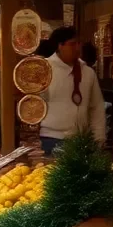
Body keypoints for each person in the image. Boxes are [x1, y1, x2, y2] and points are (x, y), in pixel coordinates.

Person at [39, 26, 106, 155]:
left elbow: (96, 107)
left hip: (81, 139)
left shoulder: (87, 72)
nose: (77, 48)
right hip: (51, 138)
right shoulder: (44, 70)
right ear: (60, 46)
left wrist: (99, 137)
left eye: (78, 43)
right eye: (72, 44)